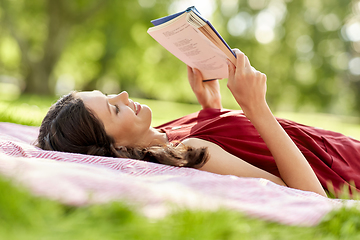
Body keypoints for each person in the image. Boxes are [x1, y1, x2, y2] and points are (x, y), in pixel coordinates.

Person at [37, 49, 360, 198]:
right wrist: (257, 108)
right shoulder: (189, 151)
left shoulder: (166, 135)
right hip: (347, 168)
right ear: (118, 147)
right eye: (114, 109)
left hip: (339, 145)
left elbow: (241, 149)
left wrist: (211, 109)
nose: (122, 94)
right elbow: (309, 195)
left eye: (108, 94)